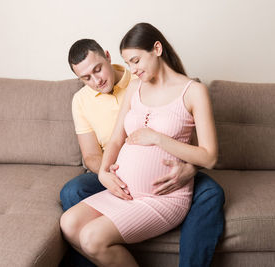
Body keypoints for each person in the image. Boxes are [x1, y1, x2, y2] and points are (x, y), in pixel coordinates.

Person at [60, 24, 224, 267]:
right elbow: (116, 139)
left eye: (136, 61)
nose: (133, 70)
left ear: (157, 48)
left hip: (162, 196)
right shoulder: (135, 87)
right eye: (128, 64)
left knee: (91, 237)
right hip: (125, 189)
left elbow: (209, 158)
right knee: (69, 224)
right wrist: (104, 173)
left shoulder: (194, 91)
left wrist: (157, 138)